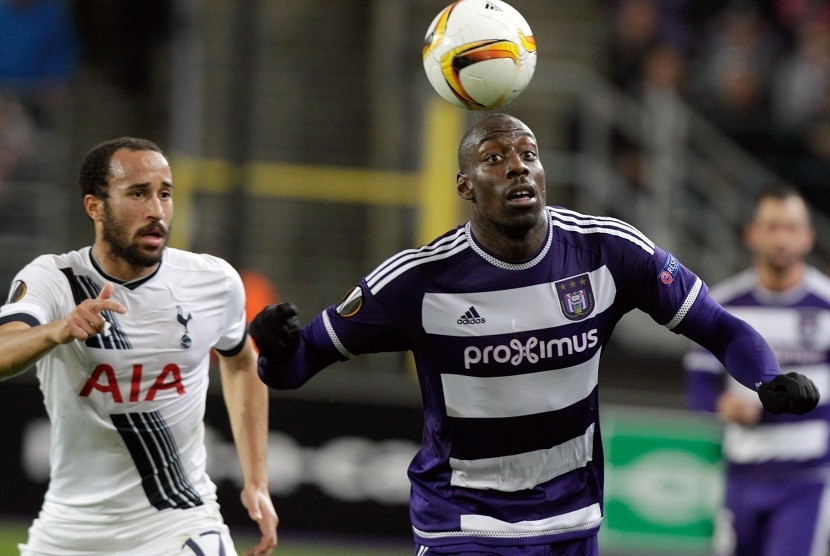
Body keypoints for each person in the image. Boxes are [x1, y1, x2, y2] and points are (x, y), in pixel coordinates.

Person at [249, 113, 818, 556]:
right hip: (464, 520)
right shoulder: (417, 282)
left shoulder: (608, 250)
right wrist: (274, 350)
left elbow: (719, 327)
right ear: (465, 187)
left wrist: (766, 378)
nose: (518, 167)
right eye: (495, 159)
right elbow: (296, 367)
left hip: (570, 519)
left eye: (529, 154)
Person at [0, 137, 278, 555]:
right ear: (95, 206)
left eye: (165, 194)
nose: (156, 211)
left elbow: (240, 362)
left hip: (179, 519)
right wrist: (57, 331)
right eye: (137, 193)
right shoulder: (55, 279)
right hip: (71, 530)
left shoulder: (213, 281)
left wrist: (257, 481)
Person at [684, 183, 830, 556]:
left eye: (791, 227)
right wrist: (723, 406)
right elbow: (698, 386)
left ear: (808, 237)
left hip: (808, 479)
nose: (781, 238)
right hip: (742, 476)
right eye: (772, 226)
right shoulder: (723, 305)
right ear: (751, 234)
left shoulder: (827, 305)